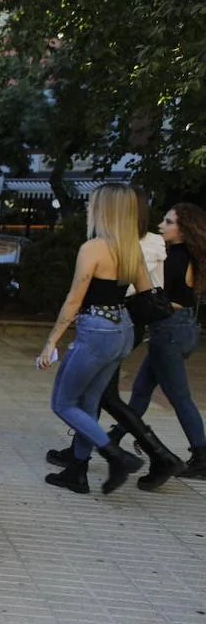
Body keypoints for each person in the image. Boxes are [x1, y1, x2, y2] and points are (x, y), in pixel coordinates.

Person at [44, 192, 184, 490]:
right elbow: (149, 293)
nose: (87, 208)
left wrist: (52, 340)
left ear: (103, 210)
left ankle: (116, 455)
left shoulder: (93, 248)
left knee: (63, 403)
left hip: (96, 329)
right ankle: (77, 474)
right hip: (122, 328)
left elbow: (73, 300)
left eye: (92, 204)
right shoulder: (131, 248)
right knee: (89, 402)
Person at [111, 202, 206, 479]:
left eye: (168, 222)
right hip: (184, 329)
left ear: (185, 230)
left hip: (169, 333)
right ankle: (114, 436)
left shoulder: (173, 256)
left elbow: (154, 293)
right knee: (140, 390)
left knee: (180, 397)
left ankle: (202, 456)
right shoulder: (192, 255)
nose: (161, 226)